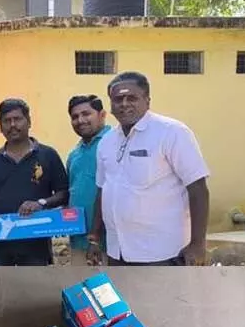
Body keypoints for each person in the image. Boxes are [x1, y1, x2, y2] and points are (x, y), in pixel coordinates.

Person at [88, 72, 211, 266]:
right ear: (111, 104)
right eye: (118, 99)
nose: (124, 104)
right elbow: (103, 190)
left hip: (163, 253)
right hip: (117, 251)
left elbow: (198, 188)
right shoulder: (107, 141)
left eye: (132, 98)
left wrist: (198, 244)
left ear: (147, 100)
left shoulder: (172, 132)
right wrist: (94, 237)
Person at [0, 99, 69, 266]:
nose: (12, 125)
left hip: (35, 243)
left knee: (32, 289)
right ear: (0, 127)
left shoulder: (48, 155)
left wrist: (41, 203)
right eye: (6, 121)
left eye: (17, 119)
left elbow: (63, 194)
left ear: (29, 121)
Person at [65, 94, 111, 262]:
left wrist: (96, 238)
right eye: (75, 117)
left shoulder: (114, 143)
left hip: (109, 243)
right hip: (78, 241)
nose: (80, 120)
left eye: (86, 114)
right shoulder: (75, 154)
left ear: (102, 115)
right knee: (80, 286)